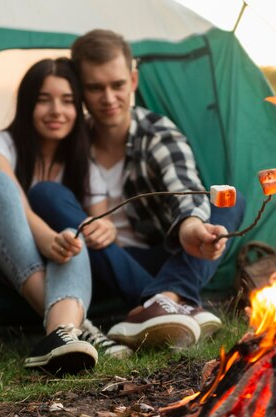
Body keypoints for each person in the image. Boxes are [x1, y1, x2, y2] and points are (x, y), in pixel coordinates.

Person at [28, 30, 246, 350]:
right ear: (79, 90)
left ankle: (164, 299)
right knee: (45, 193)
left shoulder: (155, 132)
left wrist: (190, 227)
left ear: (132, 80)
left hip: (159, 258)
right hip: (94, 263)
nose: (108, 98)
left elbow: (183, 184)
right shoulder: (67, 140)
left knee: (230, 198)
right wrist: (90, 222)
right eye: (94, 87)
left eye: (117, 85)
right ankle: (172, 302)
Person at [0, 57, 131, 376]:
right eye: (43, 100)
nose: (56, 111)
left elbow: (99, 223)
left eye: (67, 101)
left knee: (74, 235)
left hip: (45, 262)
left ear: (78, 108)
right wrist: (46, 238)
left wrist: (104, 228)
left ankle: (59, 336)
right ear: (26, 105)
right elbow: (14, 201)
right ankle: (81, 327)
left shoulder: (83, 165)